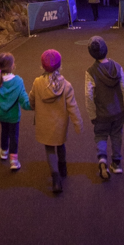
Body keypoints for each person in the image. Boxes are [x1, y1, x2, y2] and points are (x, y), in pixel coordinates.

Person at [29, 49, 83, 194]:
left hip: (44, 123)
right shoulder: (66, 85)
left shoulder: (37, 83)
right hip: (60, 124)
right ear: (60, 65)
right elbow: (72, 106)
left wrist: (33, 107)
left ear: (42, 66)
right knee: (60, 145)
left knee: (49, 148)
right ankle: (63, 166)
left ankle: (55, 177)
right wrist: (78, 122)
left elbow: (31, 99)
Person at [84, 36, 124, 180]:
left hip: (101, 113)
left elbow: (88, 95)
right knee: (116, 135)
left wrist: (92, 114)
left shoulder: (90, 72)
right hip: (118, 112)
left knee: (100, 135)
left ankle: (102, 160)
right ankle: (116, 164)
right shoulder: (117, 67)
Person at [0, 52, 31, 171]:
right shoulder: (18, 81)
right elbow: (23, 99)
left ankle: (3, 152)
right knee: (13, 135)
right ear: (12, 66)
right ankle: (14, 161)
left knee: (4, 132)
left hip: (1, 115)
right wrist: (31, 105)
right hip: (13, 115)